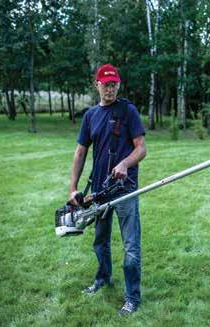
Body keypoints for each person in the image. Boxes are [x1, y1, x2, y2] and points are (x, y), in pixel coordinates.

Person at [69, 64, 146, 315]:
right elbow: (80, 152)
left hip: (125, 190)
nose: (110, 89)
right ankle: (103, 279)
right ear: (97, 85)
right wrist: (73, 188)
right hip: (100, 192)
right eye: (106, 84)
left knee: (131, 246)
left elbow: (141, 148)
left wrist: (125, 163)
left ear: (118, 85)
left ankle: (132, 297)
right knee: (100, 241)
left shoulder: (128, 111)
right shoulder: (90, 115)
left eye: (114, 84)